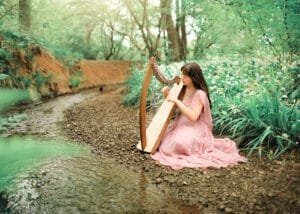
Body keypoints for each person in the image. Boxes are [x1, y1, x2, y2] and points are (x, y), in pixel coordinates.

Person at [151, 62, 246, 170]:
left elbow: (193, 117)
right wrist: (167, 95)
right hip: (181, 124)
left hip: (195, 127)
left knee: (178, 143)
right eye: (182, 75)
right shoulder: (182, 88)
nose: (183, 78)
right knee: (164, 142)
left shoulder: (200, 94)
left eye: (186, 76)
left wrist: (177, 101)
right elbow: (176, 109)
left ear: (193, 77)